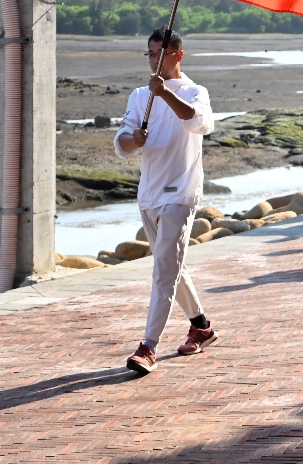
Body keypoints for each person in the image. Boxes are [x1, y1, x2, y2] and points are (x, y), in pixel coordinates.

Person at [115, 29, 216, 375]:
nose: (155, 60)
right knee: (172, 266)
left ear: (178, 55)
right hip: (149, 194)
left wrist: (165, 93)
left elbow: (200, 123)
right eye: (150, 54)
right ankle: (201, 326)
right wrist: (134, 139)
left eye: (161, 53)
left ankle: (148, 346)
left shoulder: (194, 92)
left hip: (180, 193)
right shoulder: (139, 96)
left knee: (163, 271)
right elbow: (122, 142)